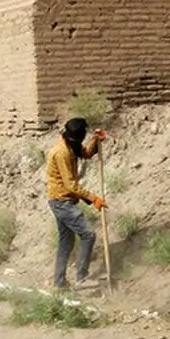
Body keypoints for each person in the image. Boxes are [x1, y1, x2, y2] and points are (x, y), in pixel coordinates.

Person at [46, 118, 108, 291]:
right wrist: (93, 198)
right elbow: (70, 184)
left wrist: (95, 140)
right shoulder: (62, 152)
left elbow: (86, 153)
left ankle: (59, 283)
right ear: (74, 137)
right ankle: (82, 278)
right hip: (61, 202)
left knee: (66, 242)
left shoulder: (71, 144)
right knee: (88, 235)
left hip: (63, 201)